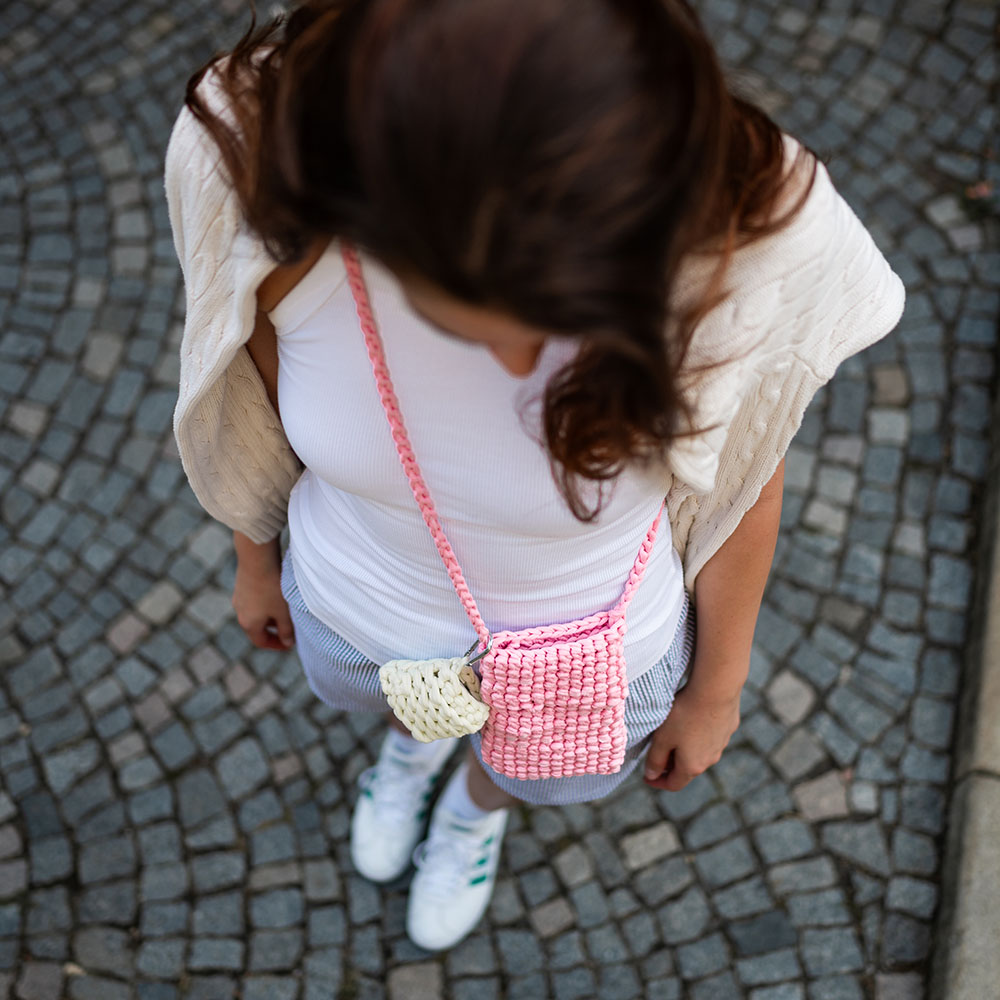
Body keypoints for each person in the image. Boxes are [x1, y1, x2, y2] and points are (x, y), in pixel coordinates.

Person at [166, 0, 904, 951]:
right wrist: (254, 561)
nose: (526, 373)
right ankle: (414, 745)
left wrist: (716, 690)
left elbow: (746, 480)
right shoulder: (284, 217)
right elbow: (259, 420)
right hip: (354, 617)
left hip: (597, 661)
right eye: (480, 305)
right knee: (410, 711)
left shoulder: (725, 260)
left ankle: (477, 805)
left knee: (531, 766)